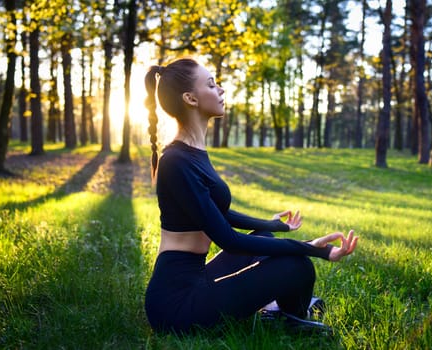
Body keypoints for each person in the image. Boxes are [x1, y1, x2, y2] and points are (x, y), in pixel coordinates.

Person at [143, 57, 359, 334]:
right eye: (210, 84)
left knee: (263, 238)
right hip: (176, 306)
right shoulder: (176, 160)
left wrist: (272, 225)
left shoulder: (192, 152)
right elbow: (228, 240)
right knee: (297, 266)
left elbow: (215, 214)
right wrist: (314, 248)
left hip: (196, 278)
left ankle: (284, 313)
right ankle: (286, 316)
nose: (220, 89)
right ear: (190, 98)